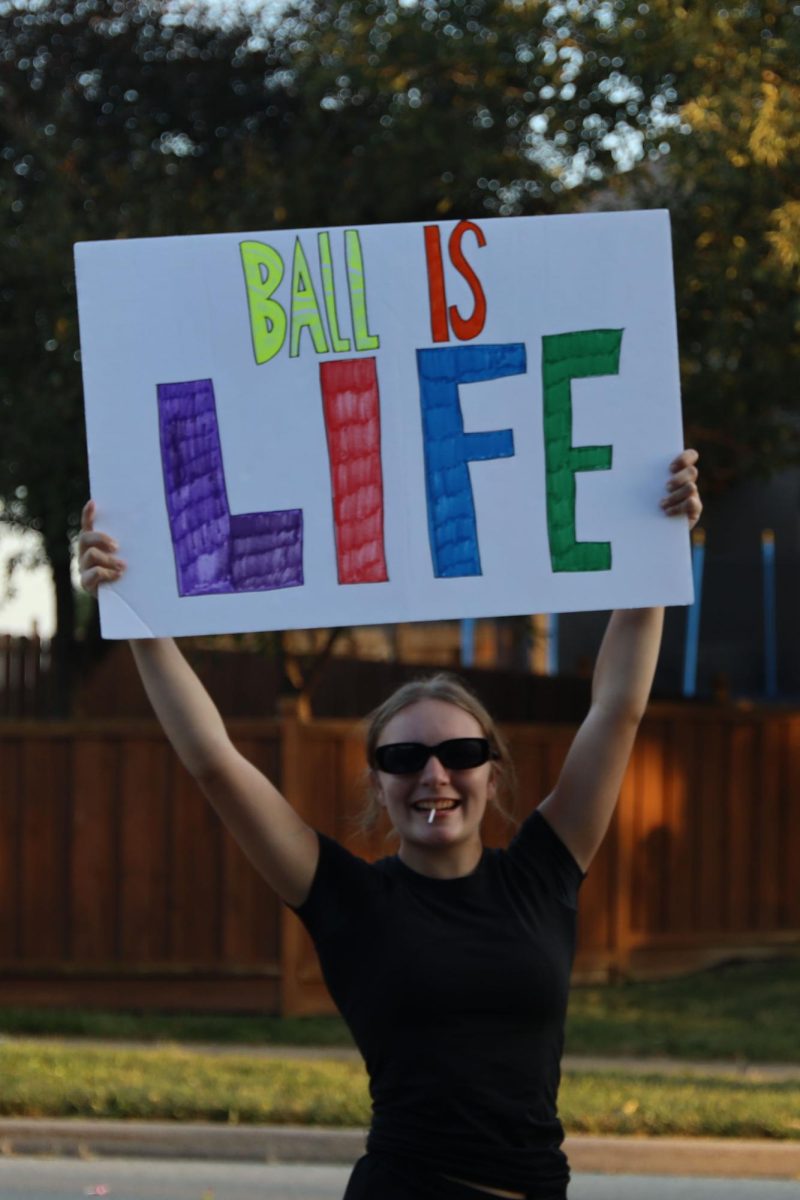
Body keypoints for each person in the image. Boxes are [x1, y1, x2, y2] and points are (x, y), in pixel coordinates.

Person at [78, 449, 702, 1200]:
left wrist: (653, 548)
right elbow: (214, 762)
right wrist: (138, 613)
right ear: (378, 782)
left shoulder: (542, 872)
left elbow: (617, 708)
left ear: (491, 771)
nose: (434, 775)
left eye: (460, 752)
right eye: (405, 756)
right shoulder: (349, 900)